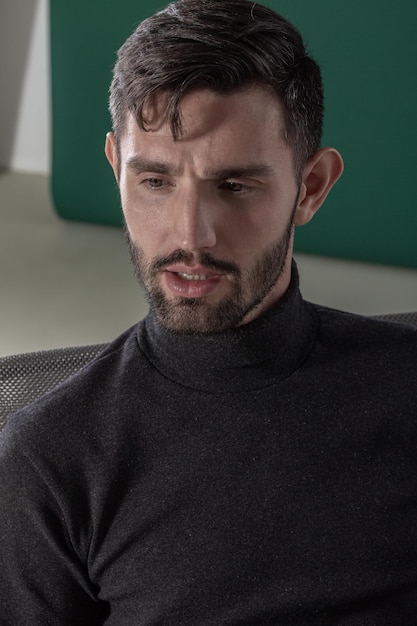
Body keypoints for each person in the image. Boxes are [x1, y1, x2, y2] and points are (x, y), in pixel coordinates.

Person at [0, 0, 416, 623]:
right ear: (117, 169)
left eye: (235, 186)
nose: (190, 236)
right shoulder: (49, 462)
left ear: (311, 188)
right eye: (155, 182)